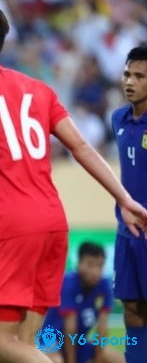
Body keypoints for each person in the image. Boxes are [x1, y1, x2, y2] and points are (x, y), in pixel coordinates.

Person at [0, 4, 147, 363]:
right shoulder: (38, 88)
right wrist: (124, 198)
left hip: (15, 223)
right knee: (27, 341)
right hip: (54, 223)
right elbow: (82, 147)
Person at [111, 44, 147, 363]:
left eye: (139, 76)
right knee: (132, 313)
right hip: (126, 234)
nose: (130, 81)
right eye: (127, 74)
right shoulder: (118, 118)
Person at [42, 242, 123, 363]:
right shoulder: (68, 282)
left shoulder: (104, 285)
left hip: (79, 342)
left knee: (120, 359)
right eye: (90, 265)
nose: (95, 271)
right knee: (56, 361)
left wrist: (98, 360)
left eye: (99, 266)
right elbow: (70, 328)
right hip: (52, 339)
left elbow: (102, 326)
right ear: (79, 264)